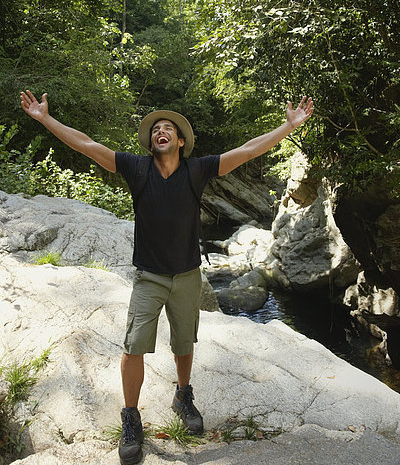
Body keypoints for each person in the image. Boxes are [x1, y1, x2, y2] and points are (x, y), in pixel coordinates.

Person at [20, 90, 314, 465]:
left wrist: (287, 128)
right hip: (149, 276)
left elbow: (248, 151)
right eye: (156, 128)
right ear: (151, 141)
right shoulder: (135, 167)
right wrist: (45, 119)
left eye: (168, 129)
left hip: (189, 274)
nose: (161, 131)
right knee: (133, 346)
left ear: (180, 141)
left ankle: (183, 394)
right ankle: (131, 417)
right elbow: (87, 144)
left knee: (183, 342)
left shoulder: (198, 169)